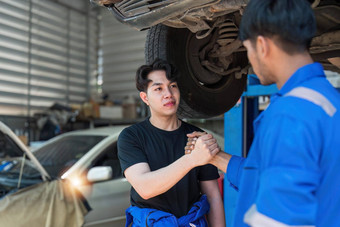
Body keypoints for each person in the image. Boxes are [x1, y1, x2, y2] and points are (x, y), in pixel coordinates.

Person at [186, 0, 340, 226]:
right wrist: (215, 157)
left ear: (262, 46)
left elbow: (279, 217)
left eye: (247, 50)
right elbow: (265, 178)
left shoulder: (290, 113)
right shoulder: (327, 100)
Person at [117, 59, 225, 226]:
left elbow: (213, 196)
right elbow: (146, 188)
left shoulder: (197, 137)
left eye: (173, 86)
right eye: (158, 88)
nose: (168, 93)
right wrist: (192, 159)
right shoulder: (132, 137)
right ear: (145, 97)